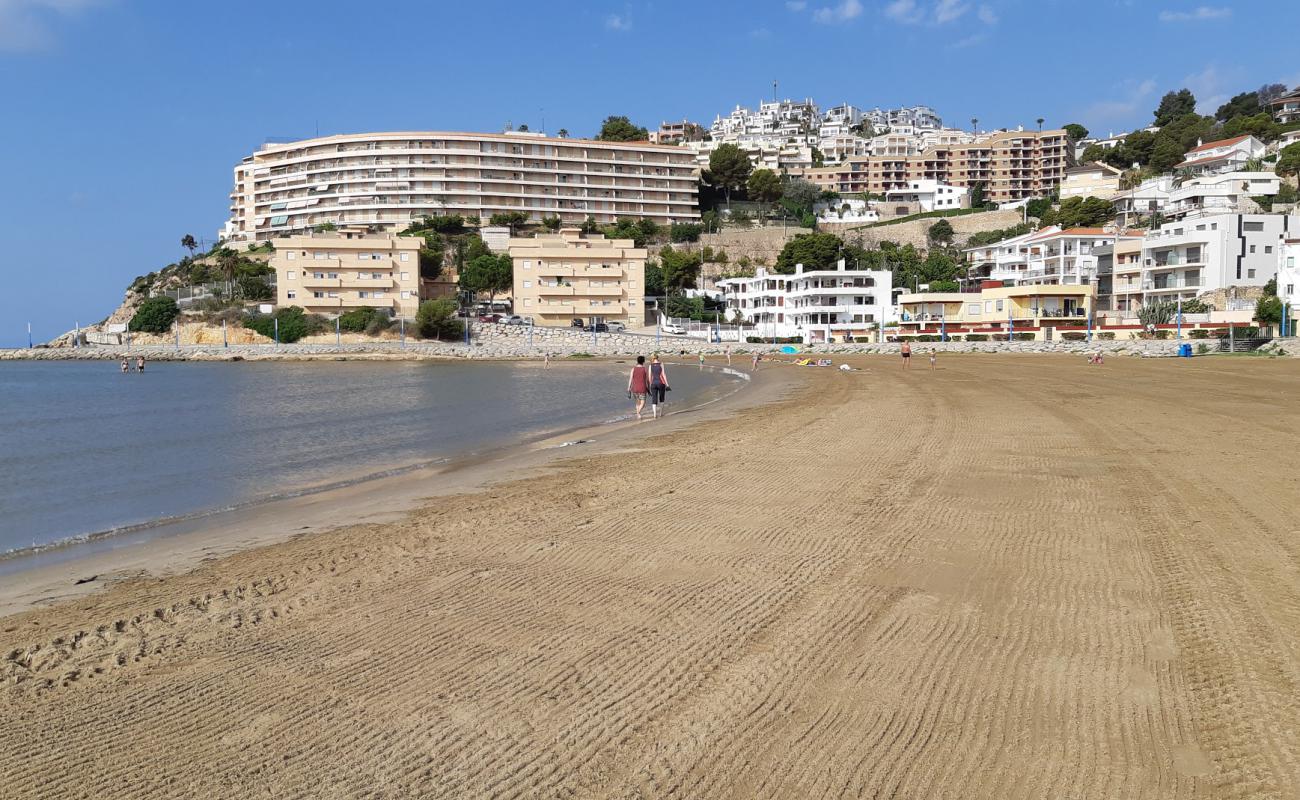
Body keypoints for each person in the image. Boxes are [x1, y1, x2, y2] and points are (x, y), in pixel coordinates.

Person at [628, 355, 650, 420]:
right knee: (643, 403)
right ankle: (638, 413)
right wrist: (648, 387)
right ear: (643, 361)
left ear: (637, 361)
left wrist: (628, 387)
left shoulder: (633, 369)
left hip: (634, 388)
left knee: (637, 402)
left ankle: (638, 415)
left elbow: (630, 379)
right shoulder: (644, 369)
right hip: (642, 388)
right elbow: (647, 380)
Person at [648, 353, 669, 418]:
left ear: (652, 358)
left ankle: (654, 414)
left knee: (654, 398)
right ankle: (660, 413)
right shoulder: (661, 364)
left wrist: (649, 385)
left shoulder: (650, 365)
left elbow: (649, 376)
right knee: (661, 398)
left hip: (653, 383)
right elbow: (663, 375)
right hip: (661, 383)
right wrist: (667, 384)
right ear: (658, 358)